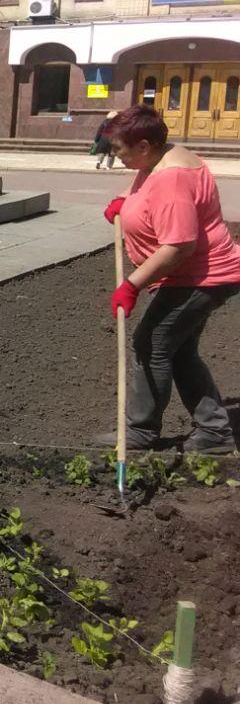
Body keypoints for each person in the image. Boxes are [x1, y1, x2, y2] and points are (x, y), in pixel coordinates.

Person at [102, 104, 240, 454]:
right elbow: (145, 182)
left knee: (150, 345)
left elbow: (178, 246)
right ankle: (214, 432)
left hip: (198, 277)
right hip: (196, 274)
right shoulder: (165, 154)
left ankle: (140, 433)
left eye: (119, 150)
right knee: (179, 352)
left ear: (144, 146)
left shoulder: (172, 178)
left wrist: (131, 284)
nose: (116, 157)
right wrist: (125, 200)